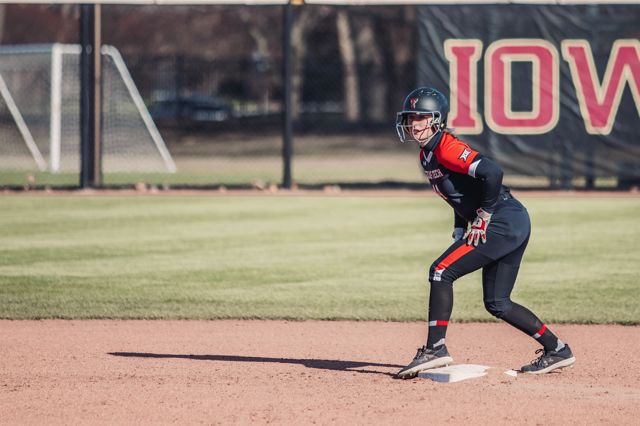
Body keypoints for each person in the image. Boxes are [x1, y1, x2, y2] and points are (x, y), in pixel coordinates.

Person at [394, 87, 575, 379]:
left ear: (437, 120)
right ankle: (558, 349)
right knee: (498, 302)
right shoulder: (427, 154)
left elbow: (492, 173)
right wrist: (460, 225)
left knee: (441, 272)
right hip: (511, 221)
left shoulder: (446, 147)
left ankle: (435, 348)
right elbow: (460, 193)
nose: (414, 124)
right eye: (410, 117)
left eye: (421, 117)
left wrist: (484, 216)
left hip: (502, 220)